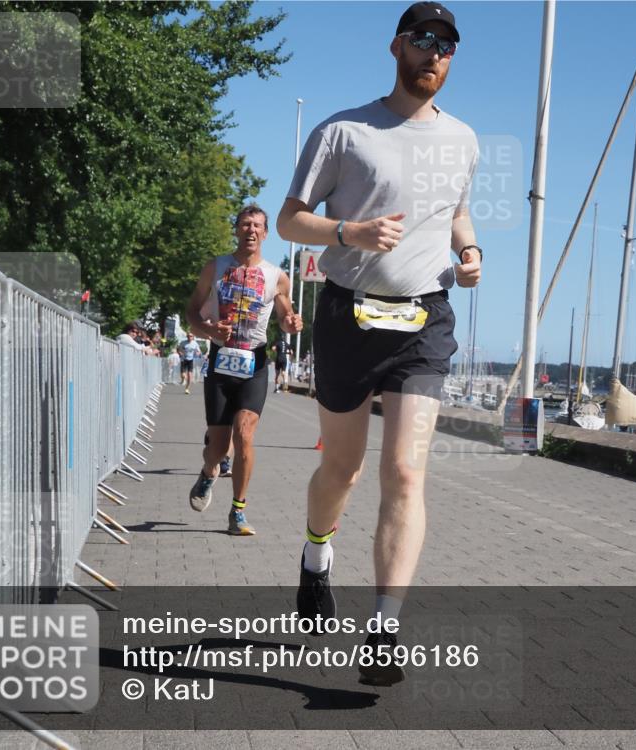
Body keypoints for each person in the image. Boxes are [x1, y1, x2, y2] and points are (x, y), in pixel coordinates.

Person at [277, 1, 481, 685]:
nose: (435, 56)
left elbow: (455, 210)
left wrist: (470, 249)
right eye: (424, 41)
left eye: (447, 47)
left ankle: (385, 630)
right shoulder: (345, 132)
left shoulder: (463, 140)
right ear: (397, 46)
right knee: (344, 471)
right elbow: (290, 220)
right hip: (347, 316)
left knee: (406, 473)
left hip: (424, 320)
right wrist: (348, 233)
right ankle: (314, 554)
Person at [185, 204, 303, 535]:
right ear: (236, 229)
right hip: (221, 362)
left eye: (258, 226)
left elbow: (284, 315)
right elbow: (192, 310)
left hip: (255, 362)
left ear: (266, 234)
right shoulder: (216, 267)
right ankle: (209, 472)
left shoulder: (276, 276)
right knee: (220, 449)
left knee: (245, 435)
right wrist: (209, 331)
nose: (251, 230)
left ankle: (237, 512)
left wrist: (291, 323)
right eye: (245, 224)